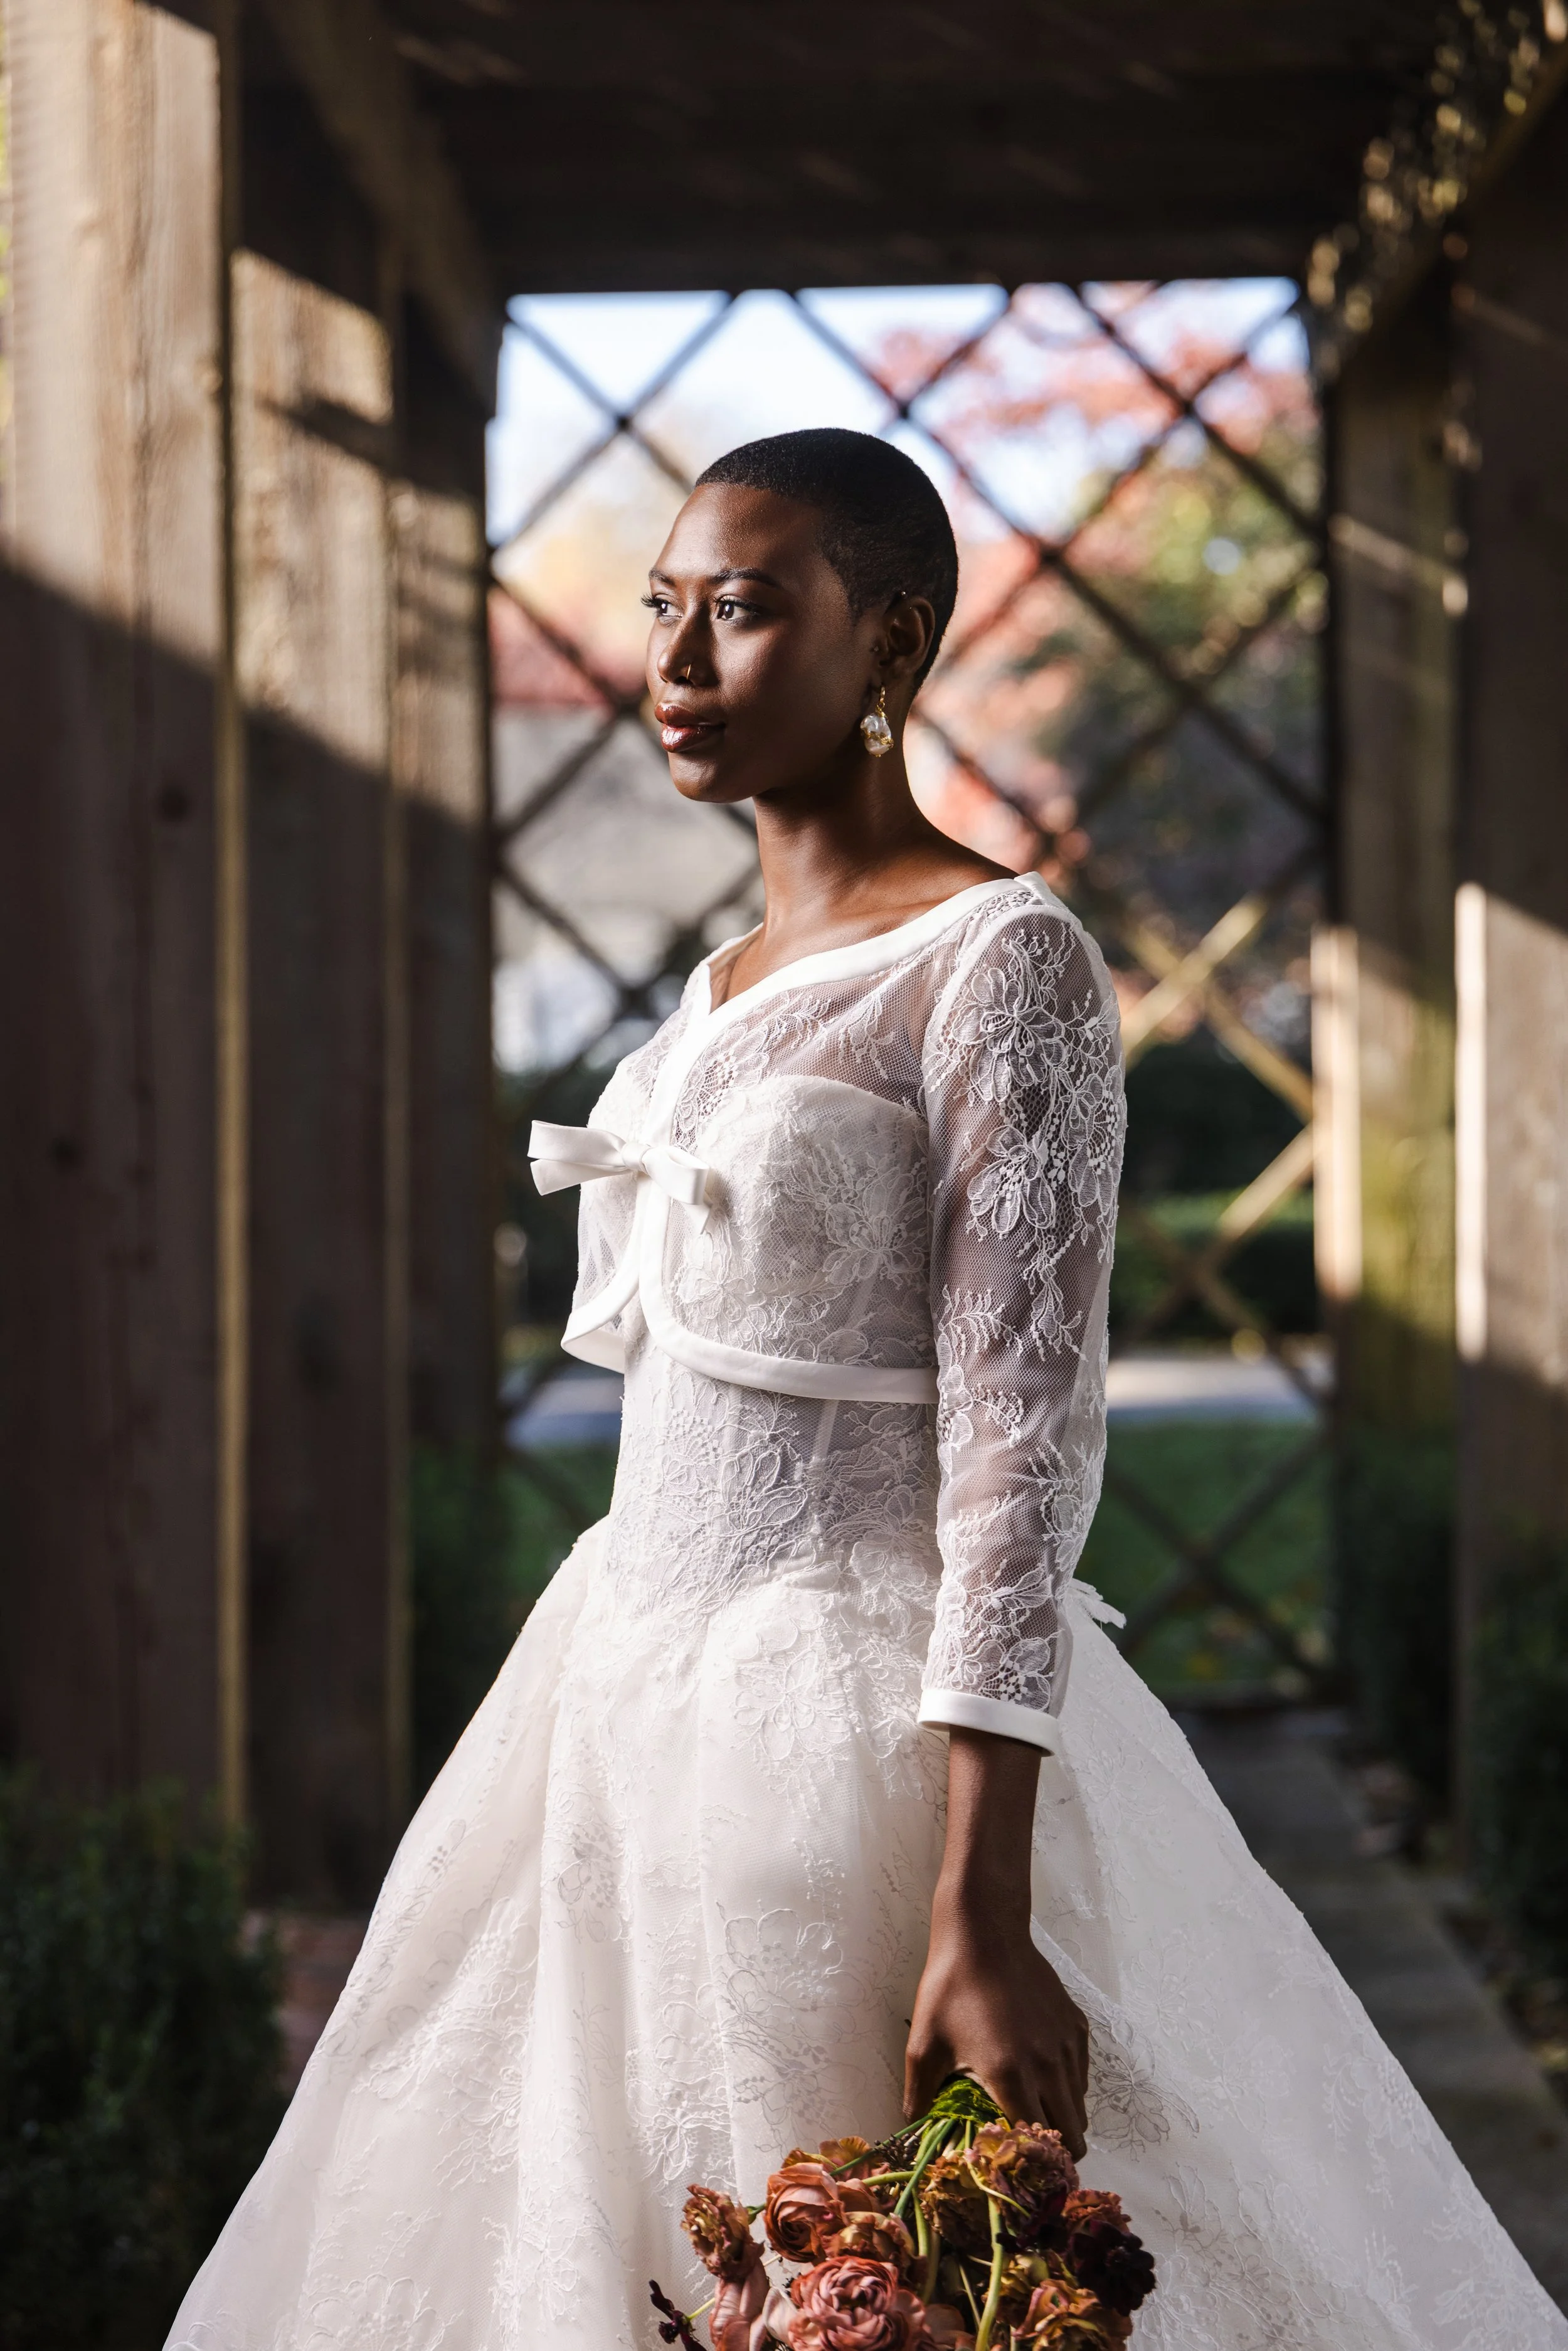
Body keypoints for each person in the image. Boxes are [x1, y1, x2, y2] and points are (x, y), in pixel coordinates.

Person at [167, 430, 1567, 2351]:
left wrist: (976, 1902)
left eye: (741, 610)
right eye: (662, 610)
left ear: (889, 641)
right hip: (610, 1722)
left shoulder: (1004, 960)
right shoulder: (720, 981)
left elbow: (1020, 1438)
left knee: (891, 2269)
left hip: (855, 1745)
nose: (672, 659)